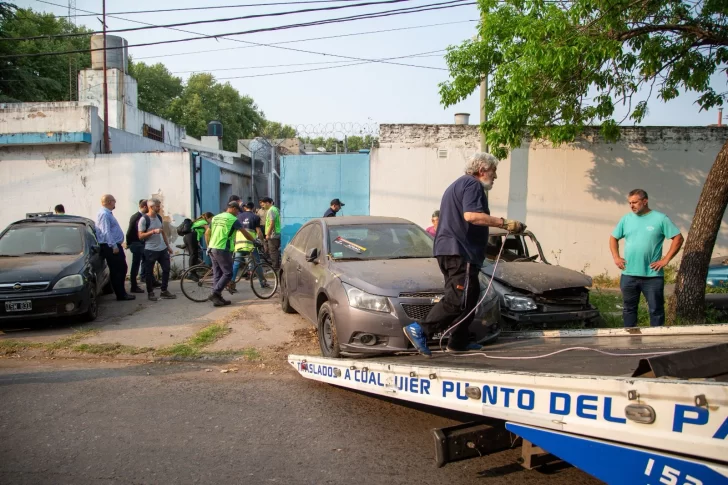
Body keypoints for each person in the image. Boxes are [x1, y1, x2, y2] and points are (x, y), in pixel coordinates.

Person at [402, 153, 525, 356]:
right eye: (494, 171)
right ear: (482, 170)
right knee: (458, 298)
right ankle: (420, 329)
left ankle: (458, 340)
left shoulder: (458, 185)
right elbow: (472, 216)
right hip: (459, 251)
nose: (495, 177)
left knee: (471, 296)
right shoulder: (472, 185)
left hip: (451, 249)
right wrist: (504, 223)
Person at [609, 189, 684, 327]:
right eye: (630, 203)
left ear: (645, 201)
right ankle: (631, 340)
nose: (632, 206)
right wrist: (616, 257)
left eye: (635, 202)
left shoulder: (660, 218)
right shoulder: (626, 219)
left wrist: (665, 259)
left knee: (656, 310)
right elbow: (613, 238)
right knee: (629, 309)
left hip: (652, 275)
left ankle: (656, 341)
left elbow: (678, 238)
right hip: (629, 274)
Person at [206, 201, 254, 306]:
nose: (237, 214)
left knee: (217, 274)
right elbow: (245, 233)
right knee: (228, 273)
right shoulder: (233, 220)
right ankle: (215, 293)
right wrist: (254, 241)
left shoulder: (216, 217)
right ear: (233, 208)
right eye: (237, 211)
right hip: (222, 248)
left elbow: (207, 233)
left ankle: (217, 298)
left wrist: (208, 245)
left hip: (212, 248)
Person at [96, 194, 135, 301]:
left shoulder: (107, 213)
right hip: (110, 247)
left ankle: (121, 292)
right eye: (114, 201)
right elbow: (105, 231)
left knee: (121, 269)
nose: (115, 203)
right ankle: (121, 294)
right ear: (109, 202)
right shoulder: (104, 214)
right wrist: (113, 246)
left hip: (114, 245)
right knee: (119, 270)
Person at [138, 198, 177, 301]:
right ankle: (150, 292)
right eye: (157, 206)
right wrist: (152, 232)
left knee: (166, 269)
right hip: (150, 249)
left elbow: (163, 232)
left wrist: (168, 246)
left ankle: (164, 291)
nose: (159, 208)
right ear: (151, 207)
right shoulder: (144, 219)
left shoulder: (159, 217)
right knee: (149, 272)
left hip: (162, 249)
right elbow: (140, 236)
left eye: (159, 206)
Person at [231, 202, 267, 288]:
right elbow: (259, 232)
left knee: (236, 264)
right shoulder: (255, 217)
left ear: (245, 208)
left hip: (239, 245)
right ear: (253, 208)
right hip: (250, 245)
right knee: (257, 263)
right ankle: (262, 282)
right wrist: (263, 243)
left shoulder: (238, 217)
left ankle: (231, 283)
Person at [126, 199, 149, 294]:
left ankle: (144, 278)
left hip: (141, 243)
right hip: (136, 243)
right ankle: (134, 286)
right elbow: (130, 231)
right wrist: (129, 243)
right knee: (136, 265)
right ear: (144, 206)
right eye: (148, 207)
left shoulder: (143, 216)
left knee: (146, 260)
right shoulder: (136, 217)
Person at [261, 197, 281, 270]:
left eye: (263, 204)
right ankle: (277, 266)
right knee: (276, 251)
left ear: (267, 203)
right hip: (278, 232)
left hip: (273, 235)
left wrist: (268, 234)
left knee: (273, 251)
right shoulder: (276, 209)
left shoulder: (271, 210)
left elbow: (272, 223)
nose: (263, 206)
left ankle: (275, 268)